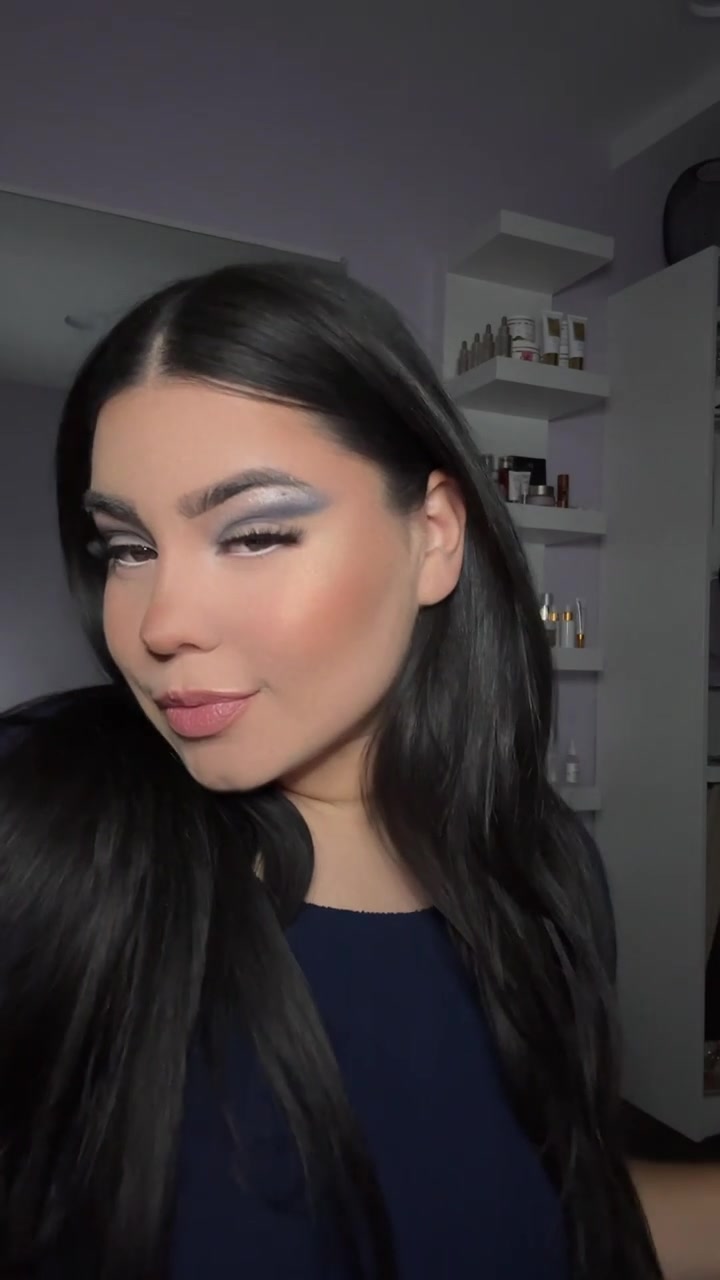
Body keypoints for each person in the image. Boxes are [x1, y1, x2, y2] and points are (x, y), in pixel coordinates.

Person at [0, 262, 680, 1279]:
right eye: (127, 547)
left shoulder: (545, 866)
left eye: (255, 533)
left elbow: (540, 1205)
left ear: (434, 537)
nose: (158, 624)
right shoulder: (43, 820)